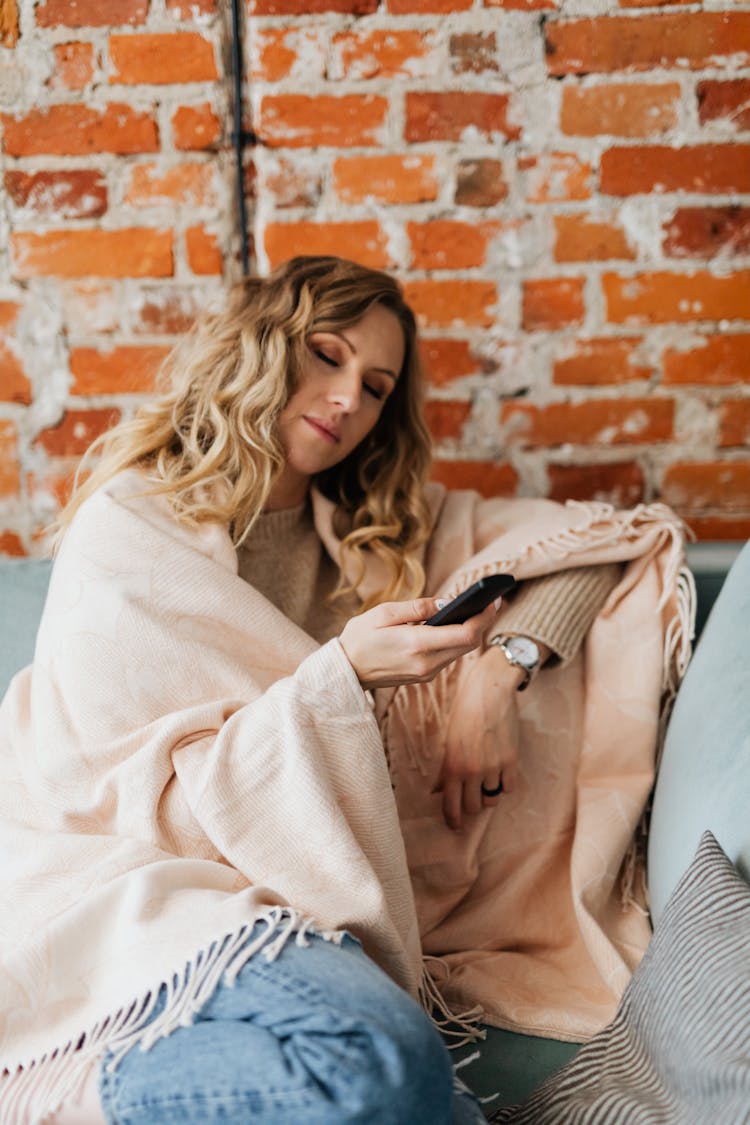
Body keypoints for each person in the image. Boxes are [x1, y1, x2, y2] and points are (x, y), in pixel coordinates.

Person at [0, 257, 691, 1124]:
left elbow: (594, 545)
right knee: (377, 1068)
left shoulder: (377, 537)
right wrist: (347, 674)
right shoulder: (131, 524)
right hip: (116, 876)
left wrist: (494, 671)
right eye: (325, 356)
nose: (346, 401)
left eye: (375, 386)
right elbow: (132, 797)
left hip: (283, 904)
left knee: (394, 1078)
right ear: (261, 346)